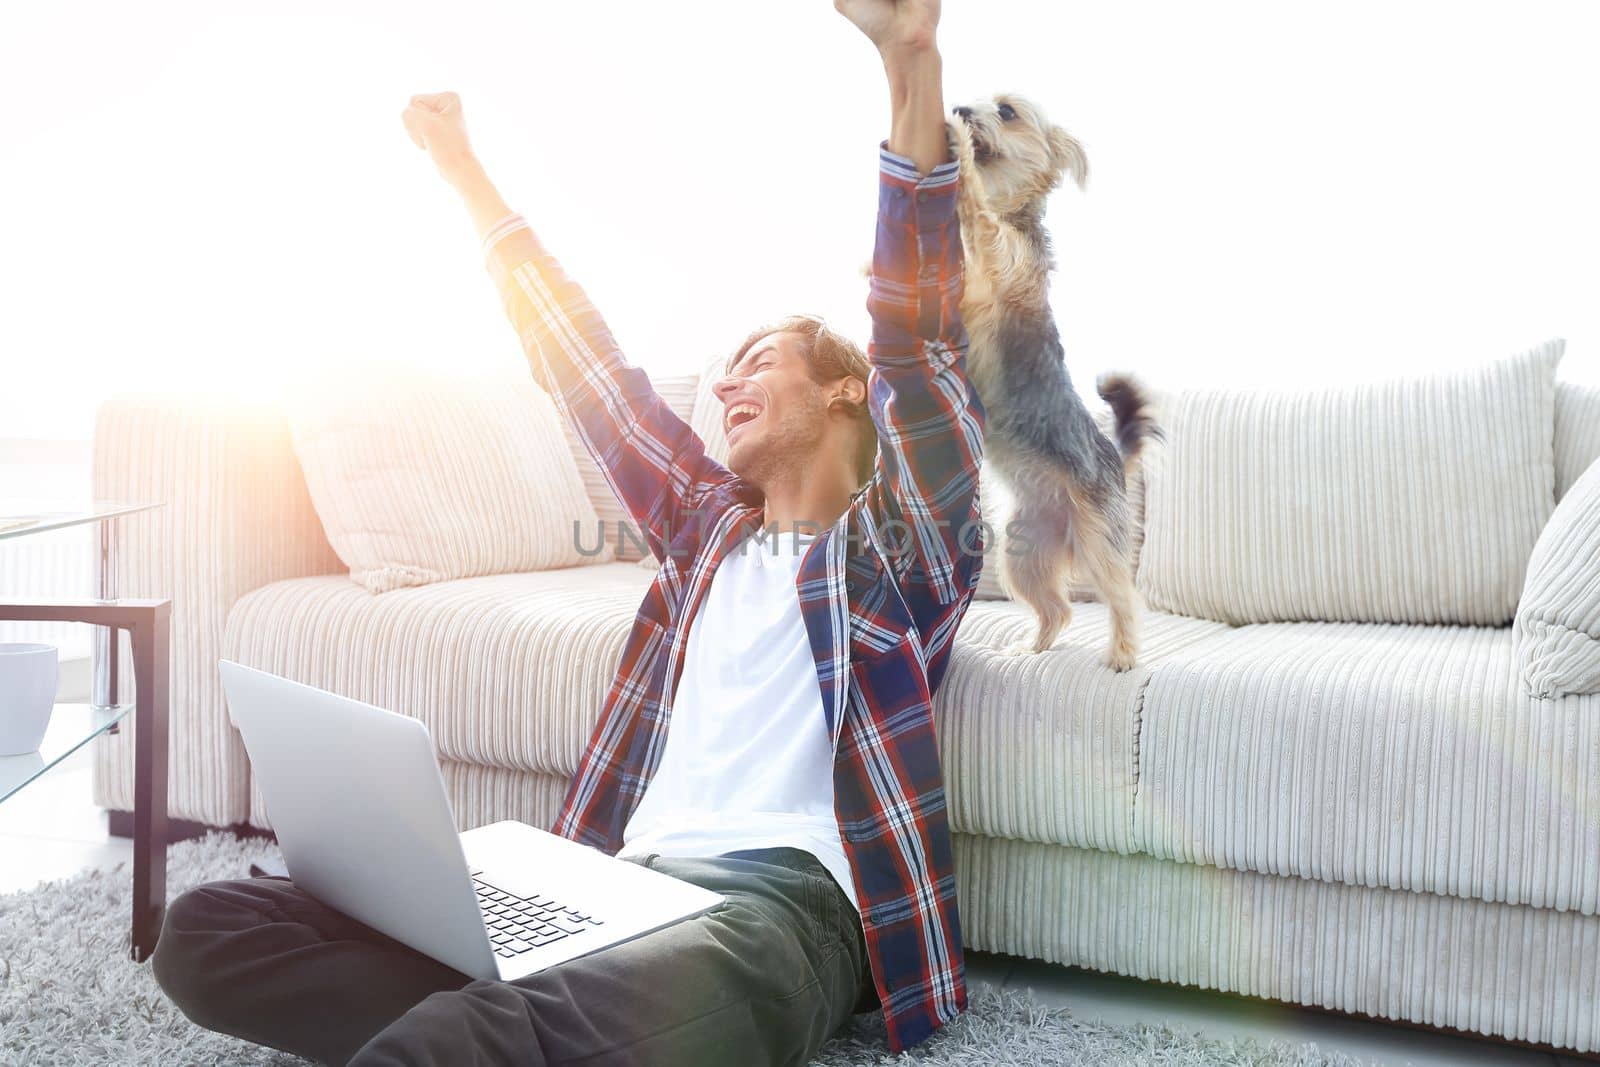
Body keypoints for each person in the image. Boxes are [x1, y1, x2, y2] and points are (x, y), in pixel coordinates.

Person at [150, 1, 985, 1063]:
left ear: (843, 394)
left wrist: (909, 66)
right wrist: (462, 170)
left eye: (759, 357)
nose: (724, 380)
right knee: (210, 929)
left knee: (480, 1030)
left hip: (776, 910)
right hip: (610, 888)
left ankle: (494, 1031)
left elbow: (923, 350)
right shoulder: (701, 536)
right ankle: (512, 1031)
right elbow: (581, 364)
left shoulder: (903, 553)